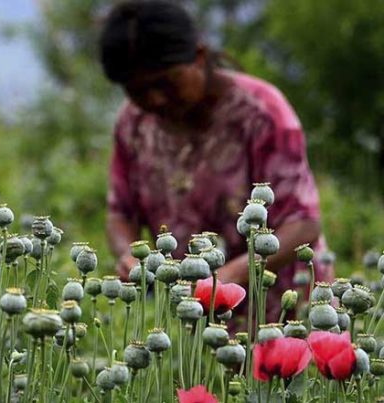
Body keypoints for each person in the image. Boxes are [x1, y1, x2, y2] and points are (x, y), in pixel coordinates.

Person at [99, 1, 332, 321]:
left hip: (286, 313)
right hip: (197, 321)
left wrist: (229, 279)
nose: (155, 99)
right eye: (138, 90)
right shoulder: (133, 124)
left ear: (199, 56)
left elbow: (304, 223)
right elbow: (119, 213)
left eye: (166, 82)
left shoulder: (261, 112)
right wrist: (129, 253)